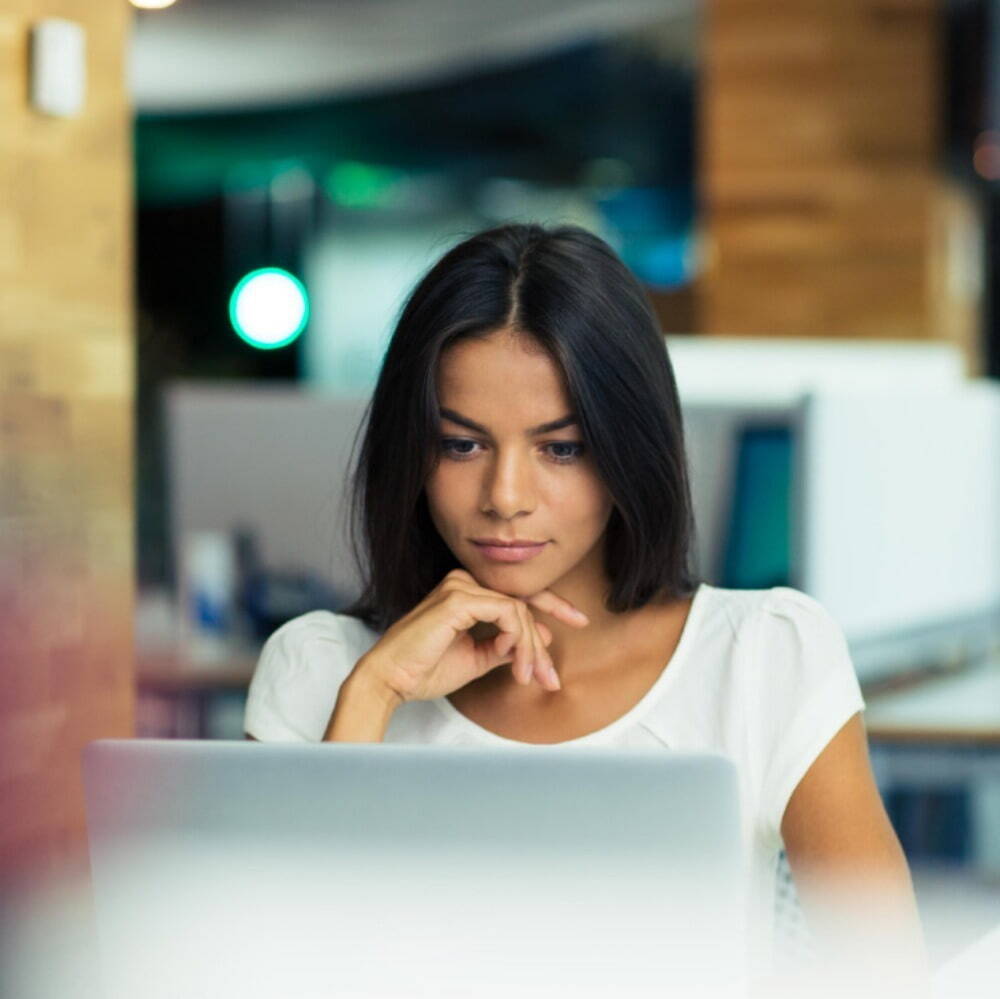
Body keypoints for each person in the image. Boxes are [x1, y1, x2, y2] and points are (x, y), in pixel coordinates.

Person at [243, 222, 930, 996]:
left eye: (560, 448)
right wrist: (372, 698)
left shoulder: (765, 656)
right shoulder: (319, 670)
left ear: (626, 449)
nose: (505, 496)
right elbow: (268, 970)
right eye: (461, 444)